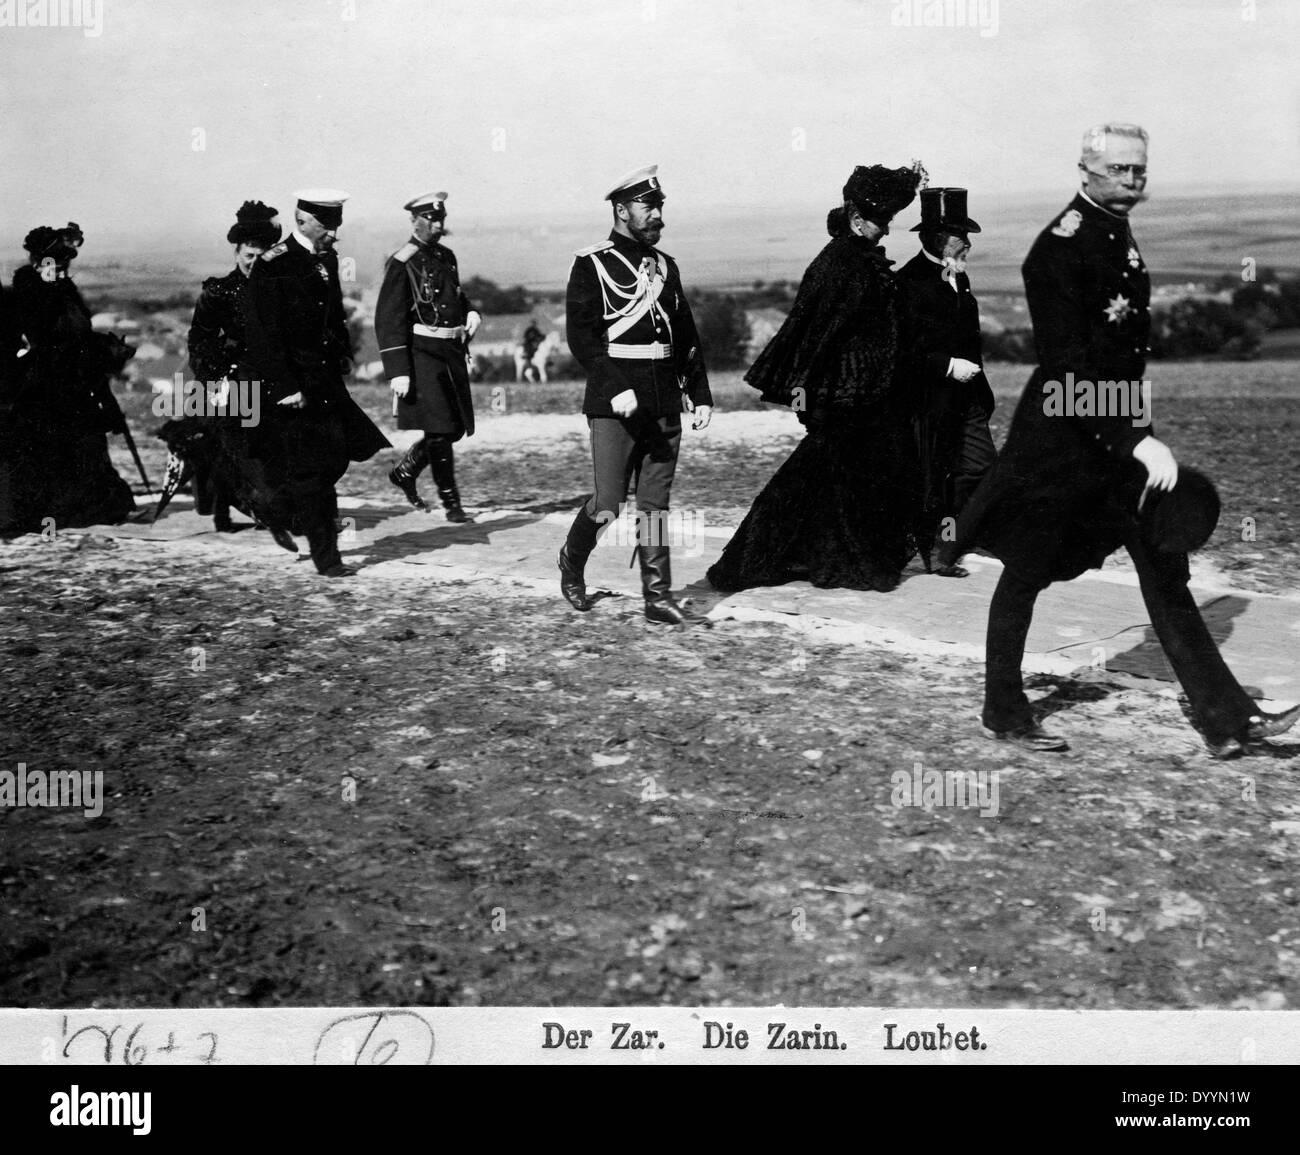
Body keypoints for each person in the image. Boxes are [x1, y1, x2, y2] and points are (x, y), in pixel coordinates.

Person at [941, 124, 1299, 756]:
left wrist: (1138, 435)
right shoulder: (1056, 251)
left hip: (1119, 438)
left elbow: (1121, 358)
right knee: (1027, 571)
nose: (1133, 180)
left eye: (1140, 170)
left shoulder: (1112, 230)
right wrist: (1136, 438)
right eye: (1120, 171)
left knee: (1164, 570)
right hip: (1061, 443)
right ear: (1085, 173)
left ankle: (1229, 722)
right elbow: (1067, 368)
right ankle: (1002, 709)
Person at [706, 162, 927, 593]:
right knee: (812, 480)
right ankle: (751, 564)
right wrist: (808, 396)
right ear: (857, 218)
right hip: (842, 396)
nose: (886, 231)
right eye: (881, 221)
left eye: (889, 220)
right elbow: (815, 335)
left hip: (862, 393)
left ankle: (833, 561)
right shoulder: (841, 264)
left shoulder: (857, 257)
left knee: (839, 481)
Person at [558, 164, 714, 625]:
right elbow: (582, 339)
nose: (658, 215)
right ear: (622, 210)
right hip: (614, 404)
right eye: (649, 207)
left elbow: (685, 337)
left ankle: (657, 596)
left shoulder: (667, 267)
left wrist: (699, 393)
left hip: (664, 399)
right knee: (608, 505)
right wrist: (615, 387)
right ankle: (571, 560)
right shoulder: (592, 264)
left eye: (660, 206)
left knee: (655, 505)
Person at [242, 189, 391, 577]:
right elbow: (262, 334)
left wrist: (342, 352)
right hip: (294, 387)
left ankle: (274, 507)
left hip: (324, 381)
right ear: (303, 220)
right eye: (327, 225)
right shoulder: (274, 264)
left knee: (338, 455)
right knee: (313, 471)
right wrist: (284, 386)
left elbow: (332, 317)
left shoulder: (326, 259)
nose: (335, 234)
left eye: (337, 225)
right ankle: (328, 559)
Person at [0, 222, 136, 535]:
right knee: (48, 448)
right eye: (55, 266)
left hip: (75, 379)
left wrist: (104, 347)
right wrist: (49, 288)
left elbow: (79, 331)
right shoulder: (27, 287)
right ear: (38, 262)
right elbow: (40, 333)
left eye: (64, 268)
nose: (60, 273)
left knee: (88, 445)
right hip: (43, 384)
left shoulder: (65, 288)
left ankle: (89, 507)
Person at [158, 200, 284, 535]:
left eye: (262, 254)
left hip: (272, 381)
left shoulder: (278, 290)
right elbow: (199, 339)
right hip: (230, 382)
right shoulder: (220, 291)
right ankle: (243, 503)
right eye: (249, 254)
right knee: (240, 443)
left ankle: (268, 501)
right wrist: (216, 377)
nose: (254, 262)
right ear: (237, 252)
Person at [896, 187, 996, 576]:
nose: (968, 242)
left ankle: (966, 532)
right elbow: (902, 352)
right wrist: (947, 365)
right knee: (935, 478)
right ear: (939, 239)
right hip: (929, 401)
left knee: (982, 465)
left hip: (967, 397)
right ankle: (940, 551)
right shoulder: (908, 283)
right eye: (961, 235)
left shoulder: (958, 275)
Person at [375, 191, 481, 521]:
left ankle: (405, 472)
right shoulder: (403, 261)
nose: (437, 225)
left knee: (452, 428)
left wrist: (471, 311)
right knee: (439, 429)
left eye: (441, 219)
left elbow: (454, 298)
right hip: (421, 353)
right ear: (414, 220)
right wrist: (397, 370)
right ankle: (452, 503)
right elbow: (388, 317)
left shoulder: (447, 257)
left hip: (449, 351)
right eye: (430, 219)